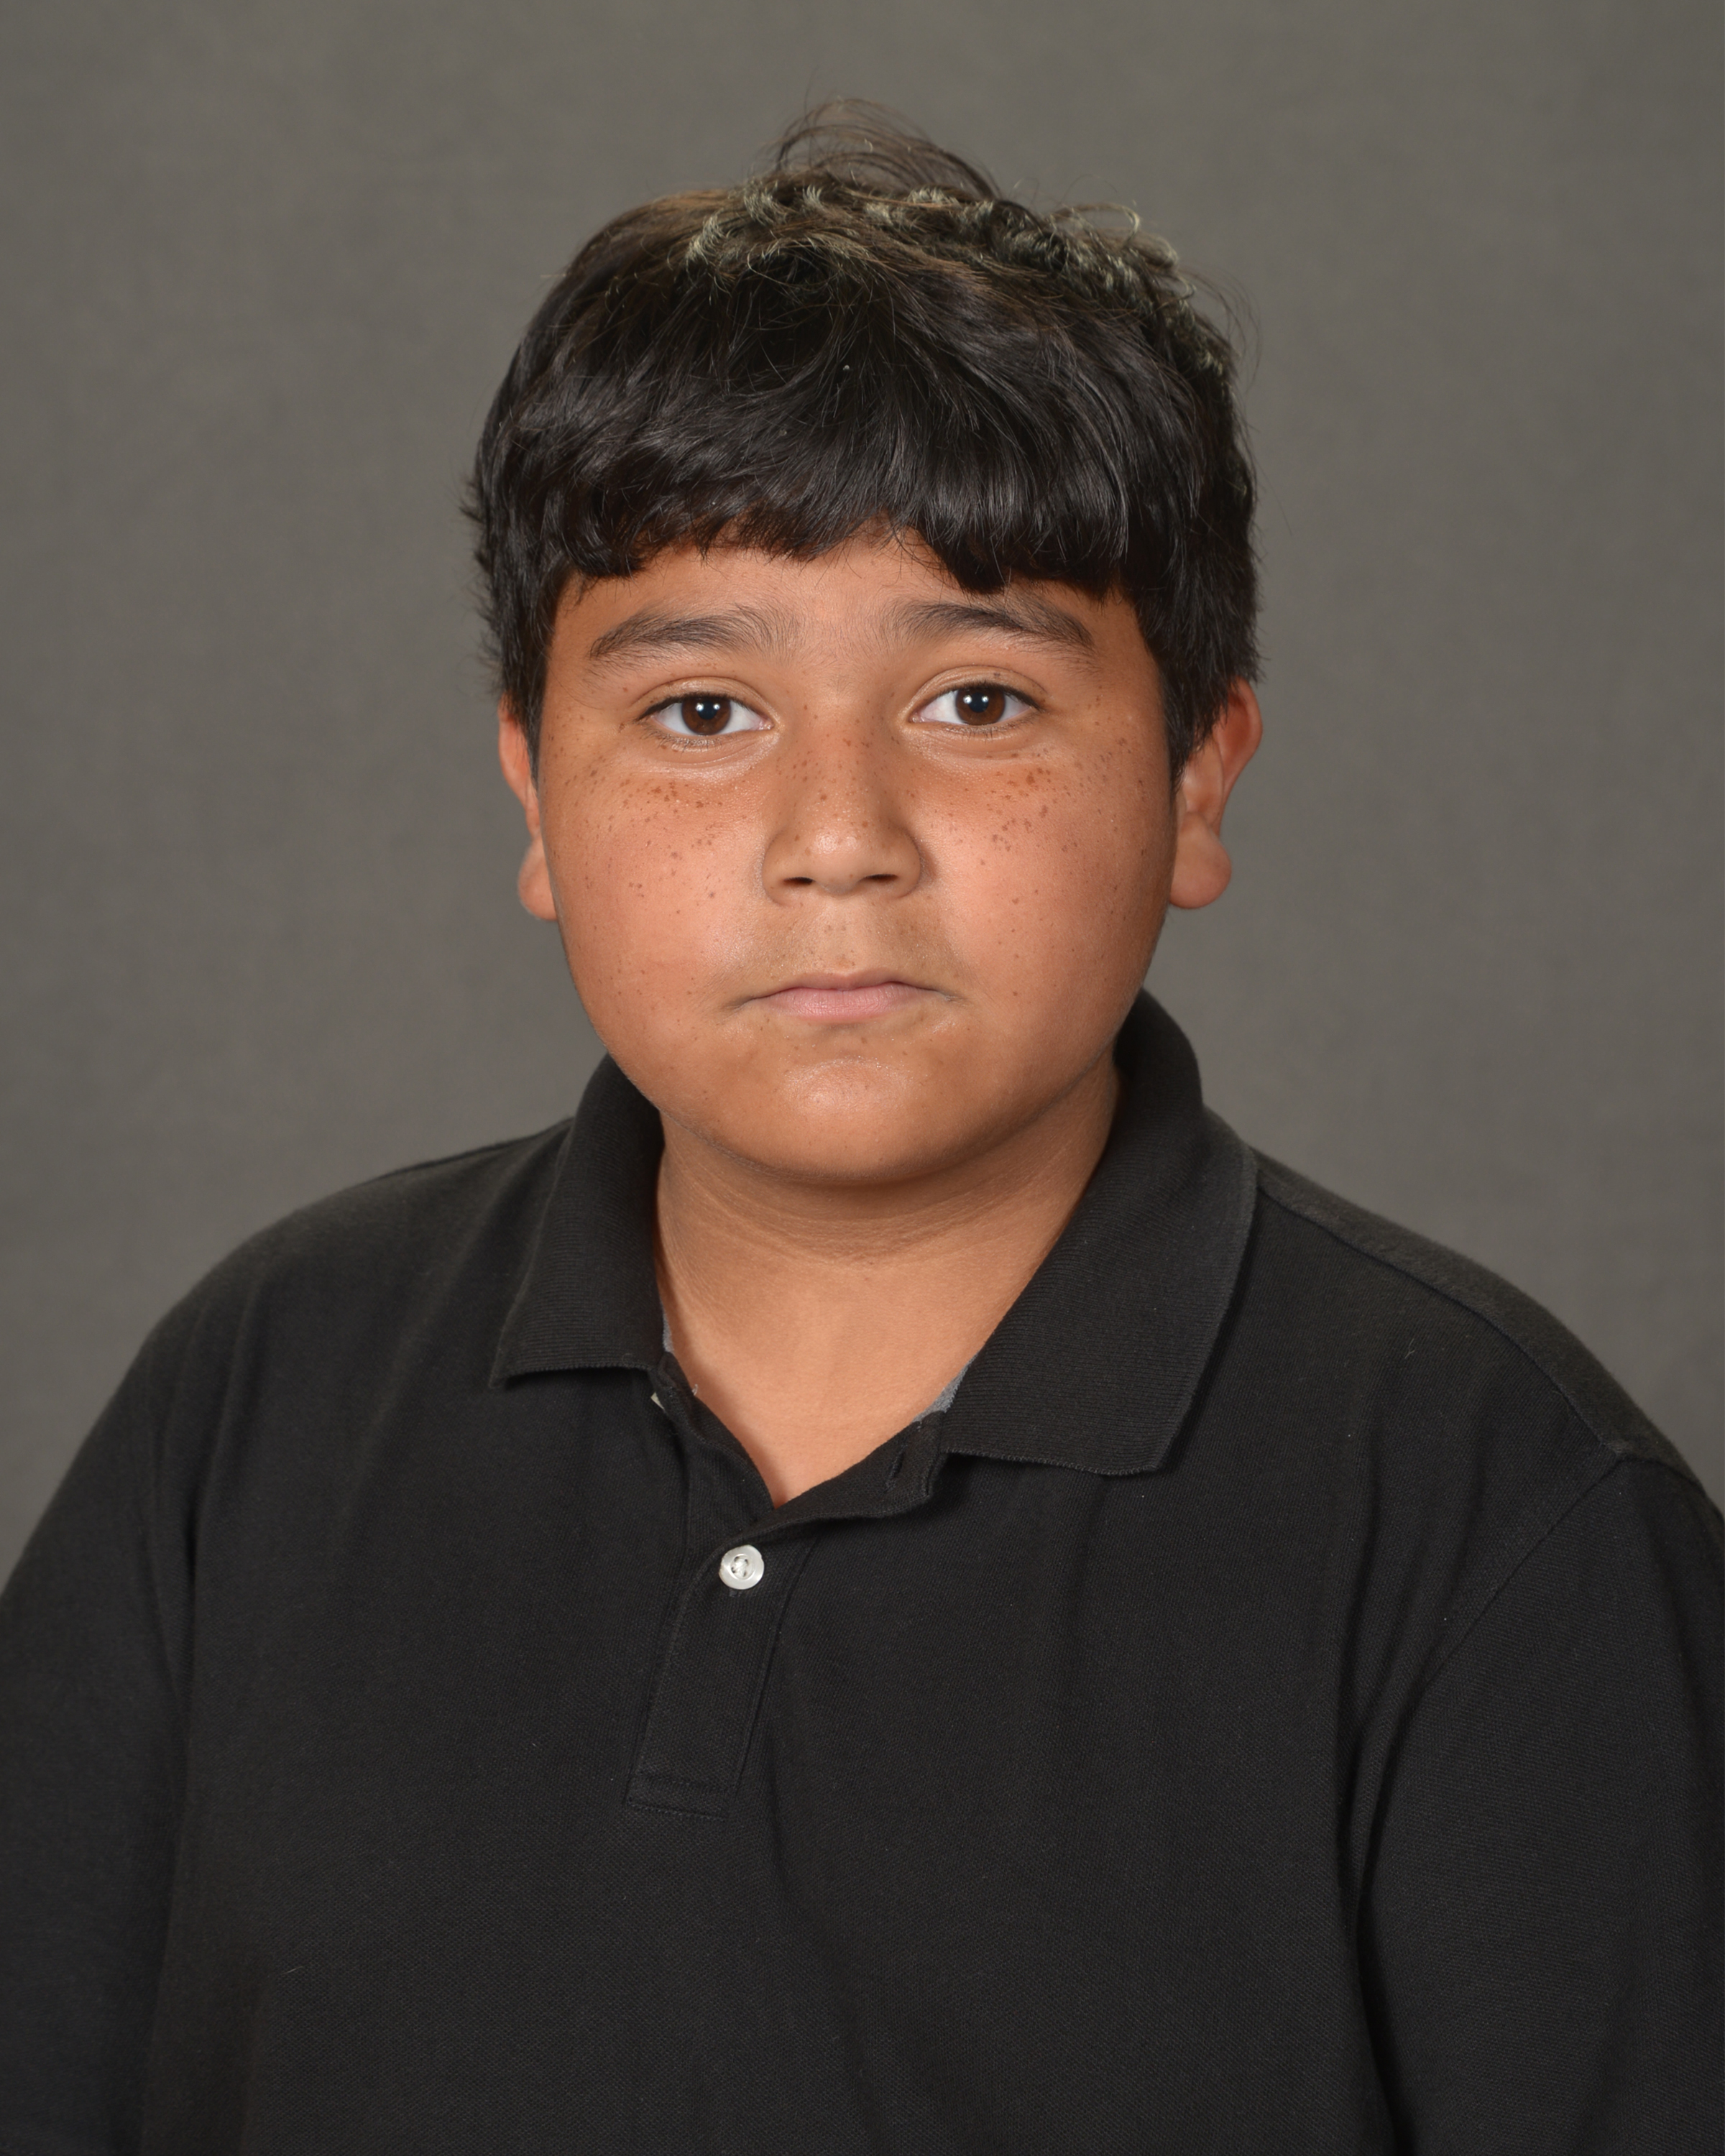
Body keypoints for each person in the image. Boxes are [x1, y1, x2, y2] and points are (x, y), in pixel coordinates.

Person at [1, 109, 1717, 2155]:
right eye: (700, 712)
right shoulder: (262, 1403)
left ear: (1197, 774)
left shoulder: (1506, 1522)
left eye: (976, 701)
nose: (837, 840)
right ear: (534, 797)